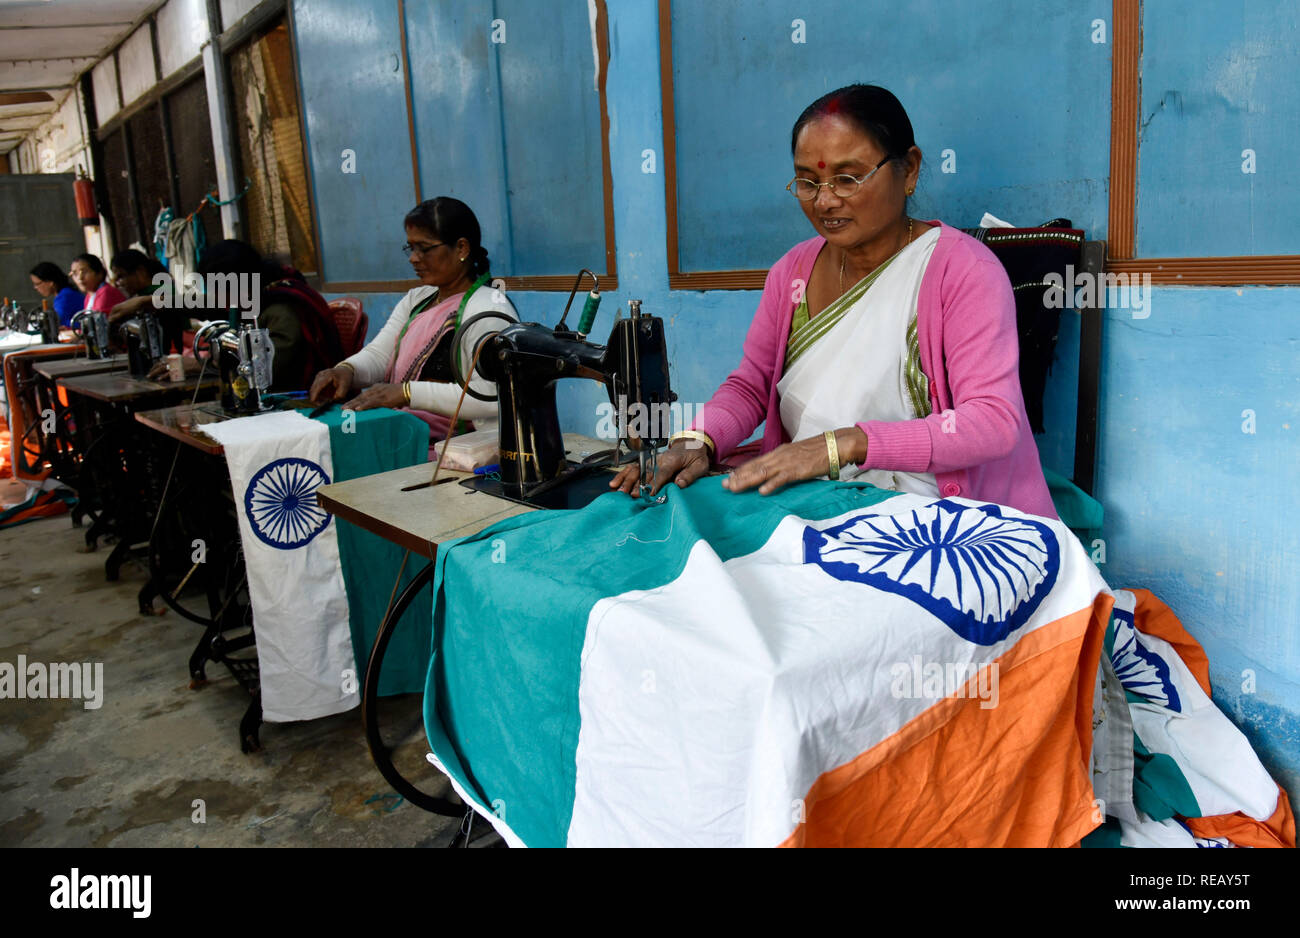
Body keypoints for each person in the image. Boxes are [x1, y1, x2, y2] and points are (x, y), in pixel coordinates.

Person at [611, 84, 1055, 519]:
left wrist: (842, 445)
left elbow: (992, 422)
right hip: (818, 504)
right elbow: (751, 385)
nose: (825, 201)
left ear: (911, 170)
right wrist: (697, 440)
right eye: (808, 182)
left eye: (847, 178)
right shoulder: (792, 273)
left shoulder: (963, 271)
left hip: (938, 515)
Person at [309, 197, 517, 445]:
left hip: (456, 451)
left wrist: (407, 393)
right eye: (411, 248)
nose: (413, 259)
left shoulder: (488, 308)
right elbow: (380, 355)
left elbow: (492, 393)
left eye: (424, 248)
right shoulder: (418, 299)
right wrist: (346, 370)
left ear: (461, 248)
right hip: (407, 434)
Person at [153, 240, 344, 391]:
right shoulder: (254, 296)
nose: (214, 296)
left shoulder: (281, 310)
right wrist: (152, 302)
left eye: (217, 288)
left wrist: (203, 364)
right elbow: (205, 304)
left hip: (301, 400)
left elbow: (267, 370)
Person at [107, 249, 182, 352]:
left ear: (140, 272)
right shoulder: (141, 295)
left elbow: (168, 301)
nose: (117, 284)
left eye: (121, 276)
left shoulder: (163, 289)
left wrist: (142, 302)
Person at [28, 261, 84, 327]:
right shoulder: (65, 294)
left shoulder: (65, 297)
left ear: (50, 282)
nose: (35, 288)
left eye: (37, 284)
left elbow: (57, 322)